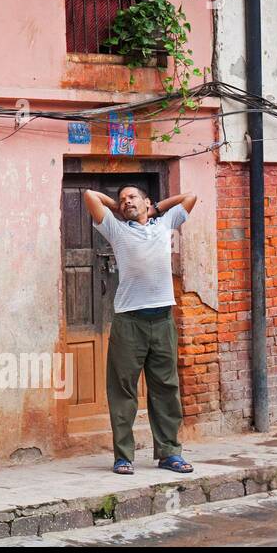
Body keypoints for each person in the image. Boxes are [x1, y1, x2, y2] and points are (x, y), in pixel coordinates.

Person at [83, 184, 198, 477]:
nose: (126, 201)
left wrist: (155, 208)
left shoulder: (165, 223)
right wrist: (118, 207)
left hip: (162, 320)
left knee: (166, 388)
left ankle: (170, 452)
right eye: (123, 199)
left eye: (132, 197)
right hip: (129, 322)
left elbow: (190, 198)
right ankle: (123, 456)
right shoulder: (116, 230)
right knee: (123, 391)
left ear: (147, 201)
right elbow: (88, 195)